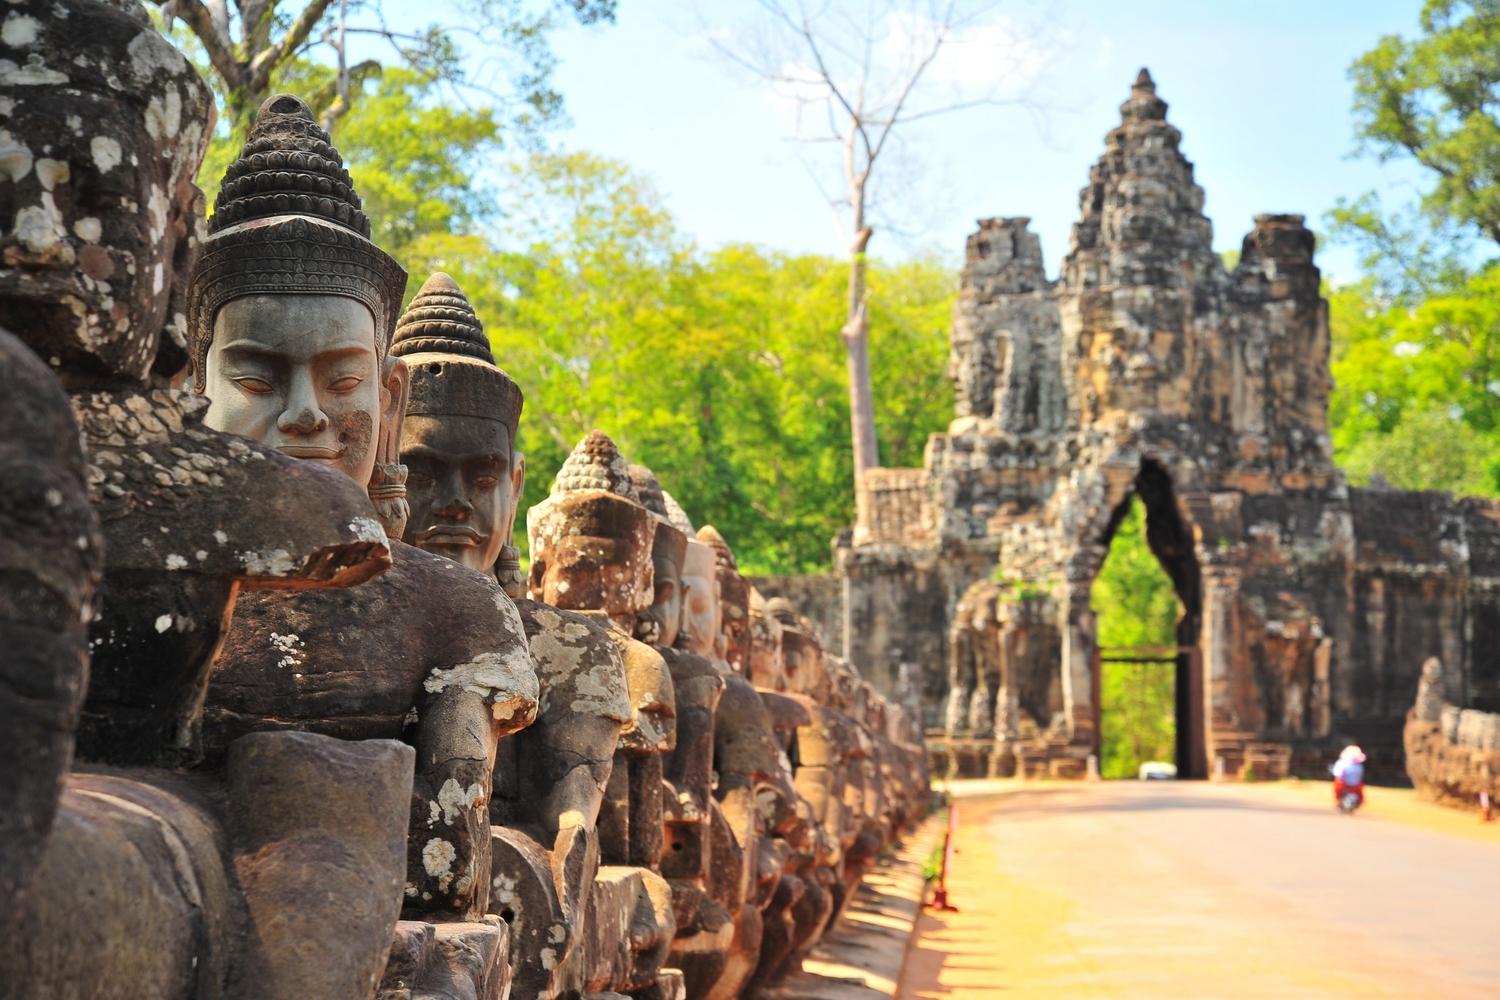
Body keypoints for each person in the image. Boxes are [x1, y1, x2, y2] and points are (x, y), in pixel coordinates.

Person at [1332, 745, 1366, 809]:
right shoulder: (1342, 763)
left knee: (1360, 793)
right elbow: (1337, 774)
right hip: (1344, 784)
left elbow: (1360, 777)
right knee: (1338, 787)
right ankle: (1339, 801)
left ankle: (1357, 804)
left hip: (1354, 785)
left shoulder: (1359, 766)